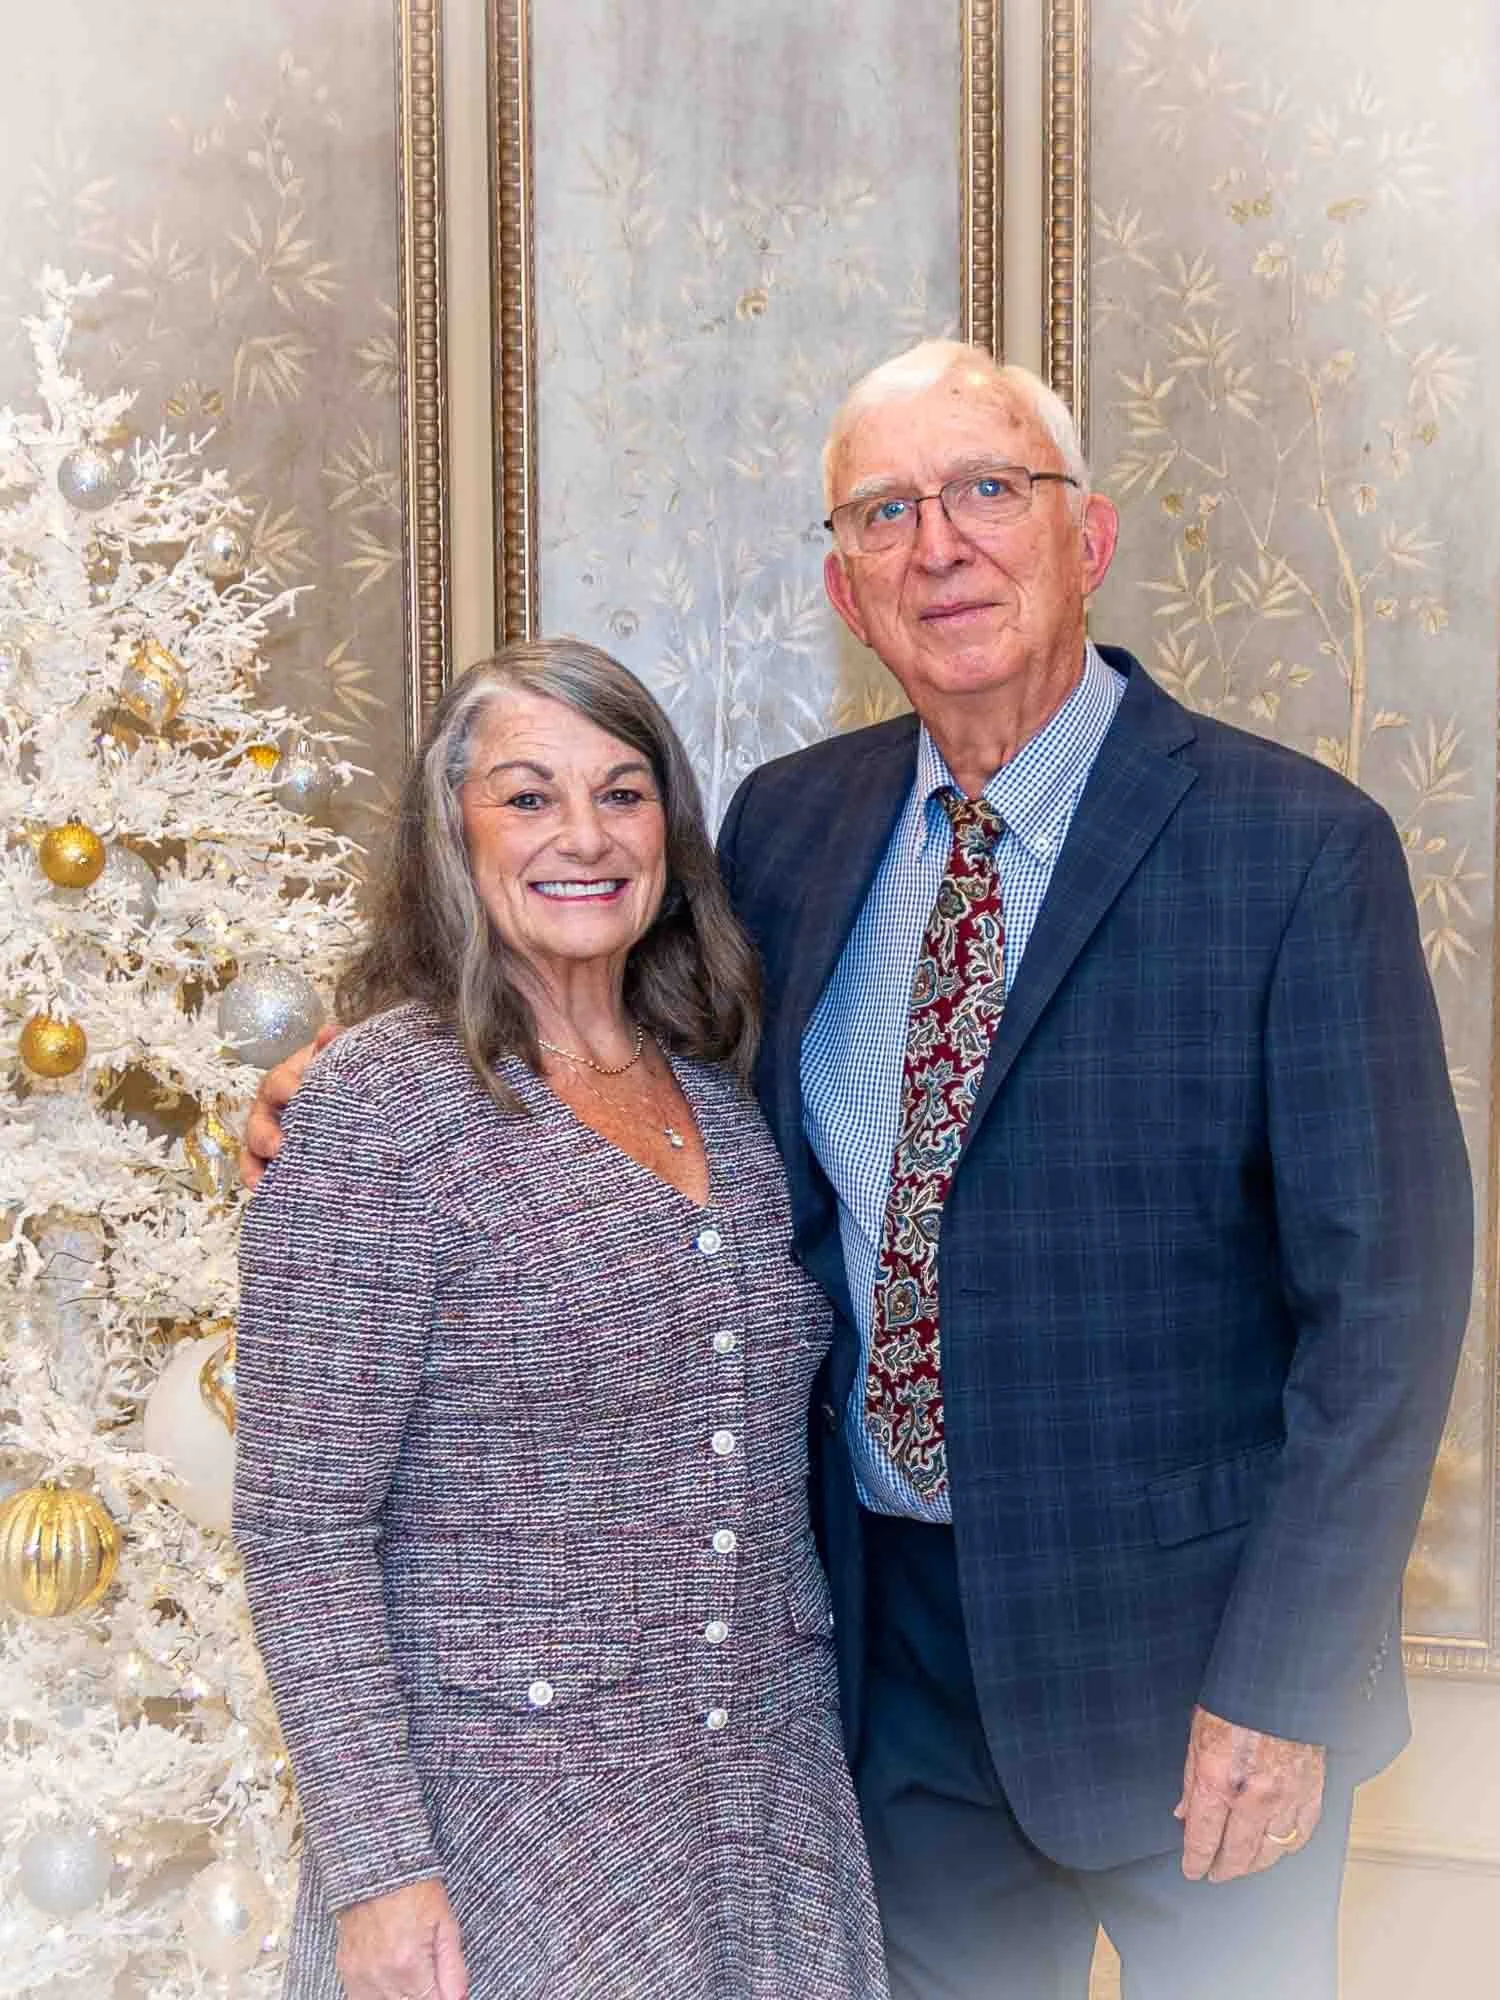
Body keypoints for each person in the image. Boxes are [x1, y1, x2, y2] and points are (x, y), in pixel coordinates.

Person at [245, 344, 1473, 2000]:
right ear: (846, 587)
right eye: (885, 514)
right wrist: (344, 1077)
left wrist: (1285, 1684)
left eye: (987, 491)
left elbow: (1387, 1312)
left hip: (1188, 1678)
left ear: (1086, 537)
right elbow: (606, 1035)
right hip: (871, 1678)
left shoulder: (1294, 847)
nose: (938, 546)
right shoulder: (790, 828)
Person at [232, 640, 889, 2000]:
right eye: (528, 797)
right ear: (451, 831)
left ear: (670, 832)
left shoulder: (722, 1098)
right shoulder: (382, 1107)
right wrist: (378, 1873)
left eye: (623, 792)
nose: (583, 836)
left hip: (764, 1818)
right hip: (499, 1841)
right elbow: (302, 1523)